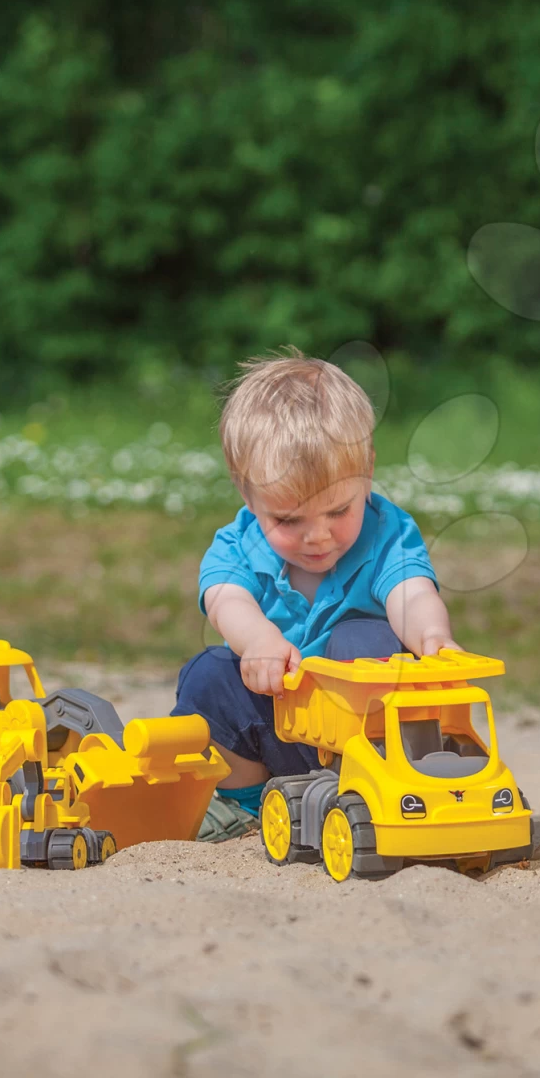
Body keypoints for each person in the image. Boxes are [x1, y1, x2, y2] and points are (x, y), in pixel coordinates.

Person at [173, 350, 459, 841]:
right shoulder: (239, 544)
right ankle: (246, 802)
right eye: (289, 520)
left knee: (362, 638)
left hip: (364, 733)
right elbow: (226, 600)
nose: (318, 536)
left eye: (338, 511)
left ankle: (372, 790)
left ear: (367, 470)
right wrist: (258, 639)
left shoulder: (385, 533)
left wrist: (433, 637)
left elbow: (411, 593)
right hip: (277, 718)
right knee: (208, 677)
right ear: (247, 493)